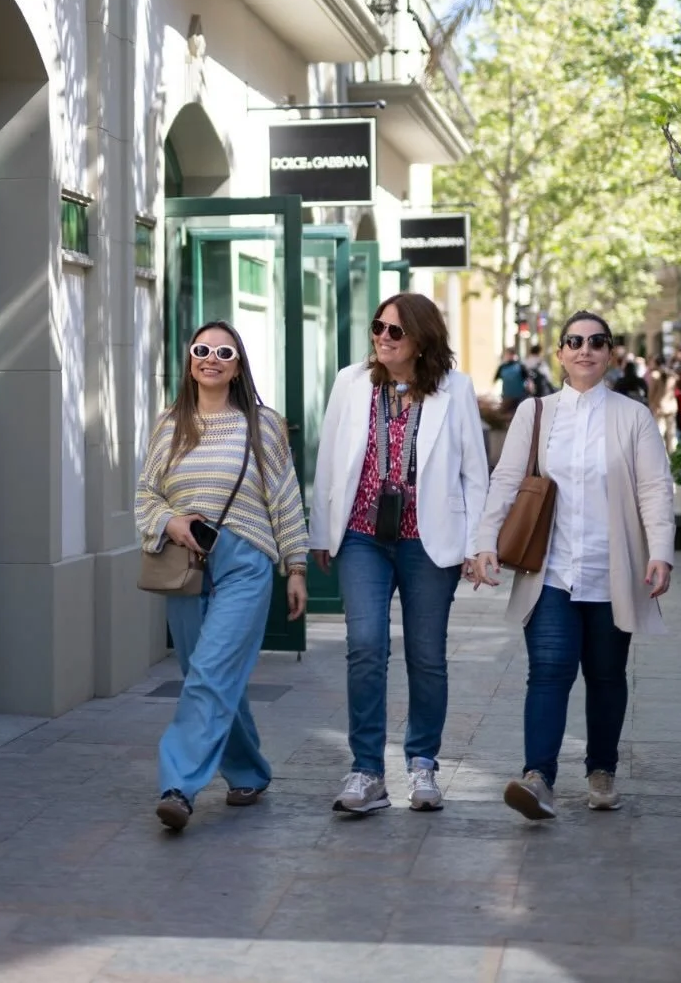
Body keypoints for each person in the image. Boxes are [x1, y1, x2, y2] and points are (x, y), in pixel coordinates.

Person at [472, 310, 674, 821]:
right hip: (552, 572)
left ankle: (601, 772)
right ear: (560, 353)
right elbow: (506, 480)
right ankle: (538, 778)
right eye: (574, 341)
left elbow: (654, 488)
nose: (585, 349)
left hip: (613, 572)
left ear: (609, 354)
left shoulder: (632, 417)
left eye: (596, 342)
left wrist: (660, 551)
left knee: (606, 675)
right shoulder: (536, 413)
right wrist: (484, 542)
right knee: (549, 671)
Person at [309, 293, 489, 815]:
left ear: (421, 339)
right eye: (377, 327)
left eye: (394, 332)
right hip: (363, 535)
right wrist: (322, 531)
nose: (382, 339)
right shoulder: (350, 382)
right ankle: (366, 770)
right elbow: (328, 458)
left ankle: (422, 764)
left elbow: (474, 473)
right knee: (365, 646)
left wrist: (479, 545)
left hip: (428, 540)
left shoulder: (455, 390)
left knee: (427, 655)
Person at [135, 319, 308, 832]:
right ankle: (249, 770)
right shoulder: (169, 424)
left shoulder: (264, 424)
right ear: (190, 359)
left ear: (237, 366)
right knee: (204, 675)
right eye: (202, 349)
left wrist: (294, 566)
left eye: (224, 352)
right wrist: (171, 520)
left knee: (210, 672)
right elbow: (146, 494)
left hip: (245, 563)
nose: (211, 358)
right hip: (185, 563)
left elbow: (285, 497)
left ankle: (178, 786)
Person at [646, 356, 678, 454]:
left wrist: (650, 404)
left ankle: (662, 456)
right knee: (671, 434)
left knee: (660, 433)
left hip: (659, 408)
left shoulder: (655, 375)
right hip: (671, 407)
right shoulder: (672, 375)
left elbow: (651, 393)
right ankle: (674, 455)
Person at [495, 347, 530, 417]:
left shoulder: (520, 366)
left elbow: (528, 380)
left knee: (517, 416)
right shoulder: (502, 367)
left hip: (519, 397)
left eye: (509, 354)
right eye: (507, 354)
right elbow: (496, 379)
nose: (508, 356)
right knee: (506, 416)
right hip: (507, 396)